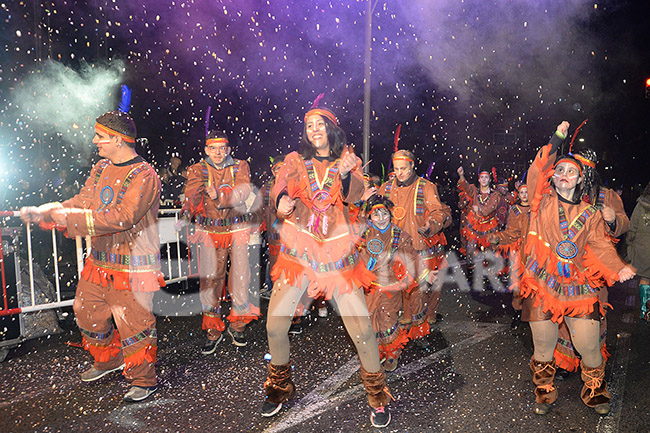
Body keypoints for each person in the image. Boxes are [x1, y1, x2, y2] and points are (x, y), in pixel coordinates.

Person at [20, 109, 164, 402]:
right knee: (86, 313)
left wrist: (70, 218)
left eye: (100, 136)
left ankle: (144, 379)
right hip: (99, 262)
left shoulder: (145, 175)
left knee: (134, 325)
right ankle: (109, 359)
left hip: (132, 267)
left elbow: (124, 217)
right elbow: (83, 201)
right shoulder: (100, 168)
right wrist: (47, 210)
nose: (95, 141)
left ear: (118, 139)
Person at [261, 105, 392, 428]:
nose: (314, 129)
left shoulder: (348, 161)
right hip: (300, 253)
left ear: (332, 129)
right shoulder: (294, 161)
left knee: (361, 332)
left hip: (338, 256)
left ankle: (377, 396)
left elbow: (358, 196)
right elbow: (279, 187)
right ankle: (279, 388)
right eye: (309, 125)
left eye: (320, 125)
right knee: (275, 326)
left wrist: (346, 174)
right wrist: (280, 202)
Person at [520, 120, 635, 416]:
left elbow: (601, 246)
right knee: (543, 349)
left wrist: (617, 267)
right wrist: (556, 138)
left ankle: (595, 391)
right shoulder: (540, 203)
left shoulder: (592, 212)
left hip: (579, 287)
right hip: (542, 285)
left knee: (590, 348)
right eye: (560, 169)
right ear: (553, 177)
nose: (564, 174)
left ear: (582, 177)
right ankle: (544, 392)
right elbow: (537, 169)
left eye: (572, 170)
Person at [179, 130, 259, 355]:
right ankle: (213, 330)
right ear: (206, 150)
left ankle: (238, 325)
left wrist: (218, 197)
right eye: (213, 148)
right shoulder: (198, 169)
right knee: (210, 280)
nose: (218, 152)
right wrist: (186, 212)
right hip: (210, 230)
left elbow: (241, 193)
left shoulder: (240, 166)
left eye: (222, 148)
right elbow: (192, 195)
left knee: (241, 277)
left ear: (229, 149)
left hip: (237, 229)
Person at [553, 147, 630, 377]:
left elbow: (624, 222)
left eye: (585, 170)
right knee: (565, 315)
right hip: (568, 268)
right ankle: (566, 362)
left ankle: (592, 363)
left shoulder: (607, 195)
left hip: (596, 270)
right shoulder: (564, 192)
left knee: (595, 315)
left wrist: (613, 218)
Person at [378, 149, 451, 345]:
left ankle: (419, 334)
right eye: (396, 169)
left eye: (404, 168)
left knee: (418, 294)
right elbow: (374, 212)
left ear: (412, 166)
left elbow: (437, 211)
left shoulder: (426, 187)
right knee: (392, 295)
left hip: (418, 249)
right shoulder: (385, 188)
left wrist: (431, 225)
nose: (400, 172)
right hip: (393, 250)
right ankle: (394, 338)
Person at [359, 194, 436, 371]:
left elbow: (412, 257)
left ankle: (392, 354)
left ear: (391, 215)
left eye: (385, 214)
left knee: (388, 320)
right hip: (368, 287)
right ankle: (376, 352)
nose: (381, 219)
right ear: (370, 216)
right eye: (376, 215)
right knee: (370, 322)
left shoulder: (398, 234)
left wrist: (425, 273)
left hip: (390, 287)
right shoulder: (363, 232)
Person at [489, 182, 530, 329]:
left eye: (527, 191)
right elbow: (511, 232)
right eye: (522, 192)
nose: (525, 195)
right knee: (518, 285)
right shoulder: (515, 210)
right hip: (519, 252)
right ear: (518, 195)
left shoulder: (538, 208)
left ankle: (533, 316)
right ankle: (517, 313)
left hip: (535, 252)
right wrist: (499, 238)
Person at [457, 166, 500, 270]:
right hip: (475, 223)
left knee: (489, 247)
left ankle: (490, 268)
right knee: (471, 245)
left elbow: (490, 208)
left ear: (489, 180)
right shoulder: (474, 192)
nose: (484, 179)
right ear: (479, 180)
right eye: (482, 177)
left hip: (489, 224)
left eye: (486, 177)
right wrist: (461, 175)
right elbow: (466, 186)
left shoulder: (495, 194)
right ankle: (470, 267)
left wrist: (479, 209)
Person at [627, 181, 650, 320]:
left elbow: (632, 227)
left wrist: (629, 245)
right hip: (644, 247)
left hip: (643, 249)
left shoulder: (641, 205)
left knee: (645, 279)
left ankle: (644, 310)